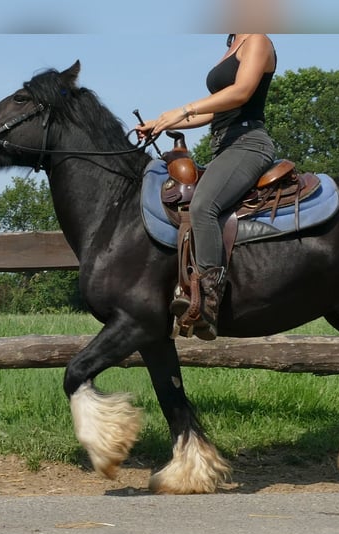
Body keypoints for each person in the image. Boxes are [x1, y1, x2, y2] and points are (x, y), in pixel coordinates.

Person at [137, 33, 277, 340]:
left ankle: (208, 304)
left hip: (248, 143)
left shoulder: (257, 40)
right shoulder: (232, 47)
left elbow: (241, 92)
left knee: (203, 206)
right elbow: (216, 111)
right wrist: (161, 122)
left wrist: (184, 109)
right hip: (224, 147)